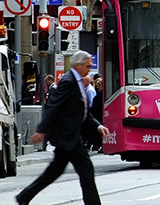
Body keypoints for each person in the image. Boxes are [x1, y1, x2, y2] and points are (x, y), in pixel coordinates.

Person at [16, 50, 110, 205]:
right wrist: (41, 130)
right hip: (67, 136)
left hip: (69, 137)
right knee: (86, 170)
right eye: (87, 66)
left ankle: (24, 197)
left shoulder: (78, 81)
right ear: (78, 65)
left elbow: (83, 110)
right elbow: (53, 106)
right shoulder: (69, 81)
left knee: (53, 172)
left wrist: (98, 126)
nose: (89, 69)